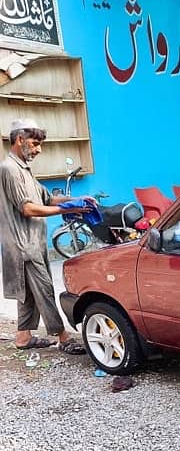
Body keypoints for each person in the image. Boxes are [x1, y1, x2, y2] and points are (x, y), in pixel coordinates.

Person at [0, 118, 96, 353]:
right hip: (23, 244)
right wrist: (68, 209)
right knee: (44, 290)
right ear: (20, 139)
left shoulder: (24, 169)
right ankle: (64, 338)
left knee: (28, 293)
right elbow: (28, 208)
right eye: (34, 144)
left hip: (30, 241)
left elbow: (46, 199)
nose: (38, 149)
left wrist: (75, 201)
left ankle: (23, 338)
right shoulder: (10, 169)